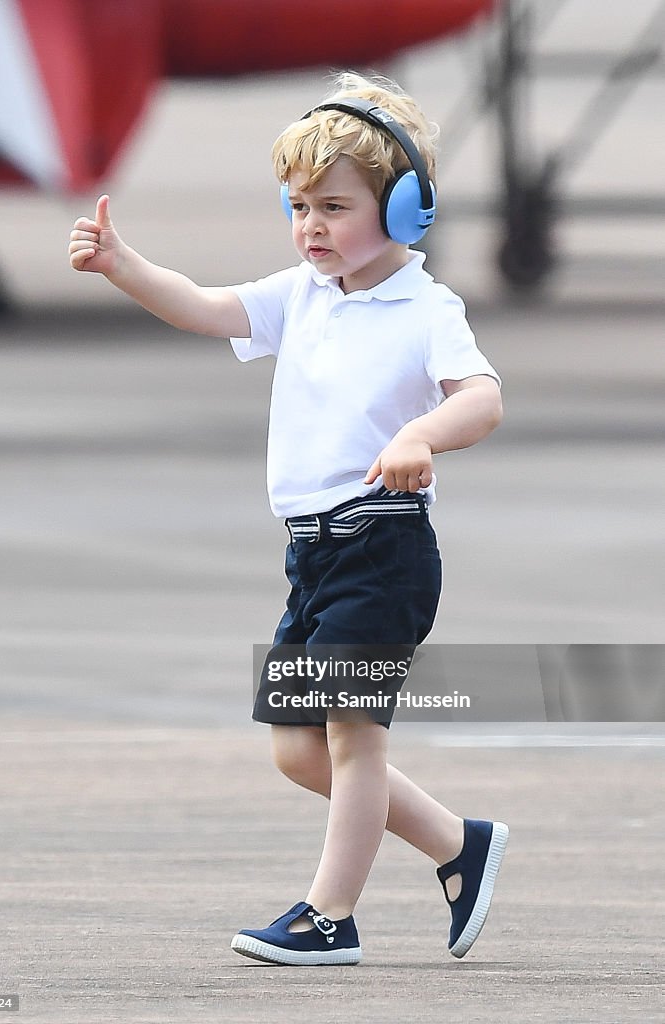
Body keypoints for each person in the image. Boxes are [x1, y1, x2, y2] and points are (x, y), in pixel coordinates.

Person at [68, 71, 508, 966]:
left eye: (334, 207)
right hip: (311, 555)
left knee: (350, 738)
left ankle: (328, 916)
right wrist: (125, 267)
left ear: (408, 210)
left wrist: (423, 431)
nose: (311, 226)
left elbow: (484, 398)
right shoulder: (302, 294)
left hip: (382, 547)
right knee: (298, 751)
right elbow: (202, 305)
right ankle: (460, 844)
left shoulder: (426, 308)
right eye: (298, 206)